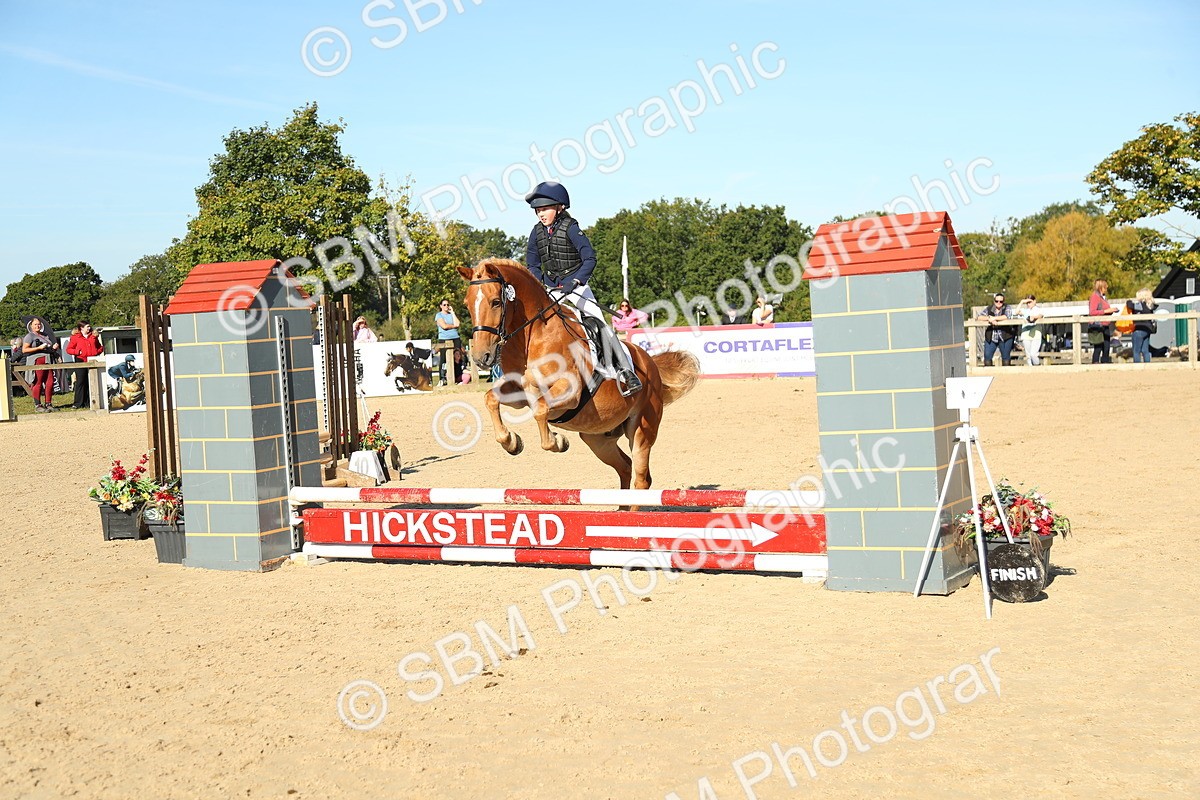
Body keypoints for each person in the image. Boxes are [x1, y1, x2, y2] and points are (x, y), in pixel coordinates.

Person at [525, 181, 642, 396]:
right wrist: (540, 282)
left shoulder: (571, 228)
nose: (540, 214)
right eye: (538, 210)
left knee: (600, 322)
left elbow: (589, 258)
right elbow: (532, 263)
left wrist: (576, 281)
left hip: (576, 286)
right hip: (550, 289)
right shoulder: (536, 232)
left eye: (545, 209)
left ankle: (625, 371)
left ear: (559, 207)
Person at [22, 317, 59, 412]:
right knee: (38, 382)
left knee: (50, 382)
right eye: (35, 324)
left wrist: (53, 348)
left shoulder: (45, 335)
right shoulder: (29, 336)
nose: (37, 326)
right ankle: (38, 405)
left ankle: (48, 403)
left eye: (39, 324)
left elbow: (48, 349)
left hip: (48, 360)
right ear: (31, 326)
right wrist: (38, 348)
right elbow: (24, 350)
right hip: (37, 360)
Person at [65, 321, 104, 409]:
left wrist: (96, 352)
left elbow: (100, 347)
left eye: (89, 326)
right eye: (87, 327)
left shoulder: (93, 336)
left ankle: (89, 402)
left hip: (92, 361)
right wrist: (77, 352)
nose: (89, 328)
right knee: (80, 381)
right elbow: (69, 349)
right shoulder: (75, 337)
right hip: (81, 360)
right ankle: (78, 403)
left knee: (91, 381)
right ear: (81, 328)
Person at [977, 293, 1016, 366]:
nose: (998, 303)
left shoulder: (1007, 307)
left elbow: (1006, 316)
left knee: (1006, 357)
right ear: (994, 301)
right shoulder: (989, 308)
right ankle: (989, 371)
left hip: (1005, 336)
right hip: (992, 337)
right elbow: (979, 317)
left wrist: (994, 318)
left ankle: (1006, 372)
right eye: (996, 301)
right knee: (987, 356)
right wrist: (989, 319)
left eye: (1001, 301)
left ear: (1003, 302)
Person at [1087, 279, 1121, 364]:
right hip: (1098, 326)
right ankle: (1095, 363)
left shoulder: (1103, 297)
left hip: (1105, 325)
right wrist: (1106, 311)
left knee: (1106, 347)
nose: (1107, 288)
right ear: (1100, 287)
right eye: (1105, 286)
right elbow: (1092, 312)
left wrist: (1111, 311)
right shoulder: (1095, 297)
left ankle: (1104, 363)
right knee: (1098, 347)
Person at [434, 299, 462, 386]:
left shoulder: (451, 315)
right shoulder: (439, 315)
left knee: (457, 358)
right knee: (443, 359)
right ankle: (442, 378)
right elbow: (444, 326)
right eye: (444, 305)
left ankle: (457, 377)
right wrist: (454, 326)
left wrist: (453, 312)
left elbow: (458, 323)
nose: (446, 306)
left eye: (447, 304)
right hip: (444, 339)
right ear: (441, 306)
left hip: (455, 338)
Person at [1126, 288, 1158, 364]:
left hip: (1139, 329)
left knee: (1136, 351)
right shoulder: (1150, 306)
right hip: (1147, 329)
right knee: (1145, 350)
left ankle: (1137, 366)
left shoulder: (1140, 305)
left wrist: (1128, 301)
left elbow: (1130, 305)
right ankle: (1147, 365)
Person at [1016, 296, 1044, 366]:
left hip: (1036, 334)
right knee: (1028, 355)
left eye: (1030, 302)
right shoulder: (1025, 311)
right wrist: (1022, 302)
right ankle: (1031, 368)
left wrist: (1034, 317)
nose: (1028, 304)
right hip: (1026, 334)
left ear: (1034, 301)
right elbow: (1016, 312)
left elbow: (1040, 315)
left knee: (1033, 354)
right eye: (1027, 303)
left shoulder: (1038, 309)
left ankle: (1037, 366)